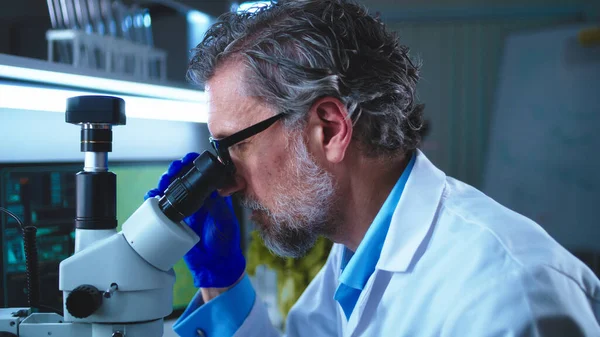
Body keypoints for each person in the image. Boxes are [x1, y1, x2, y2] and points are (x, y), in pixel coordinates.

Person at [145, 0, 600, 336]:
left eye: (236, 145)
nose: (226, 185)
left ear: (329, 128)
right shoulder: (355, 259)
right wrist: (222, 285)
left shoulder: (508, 295)